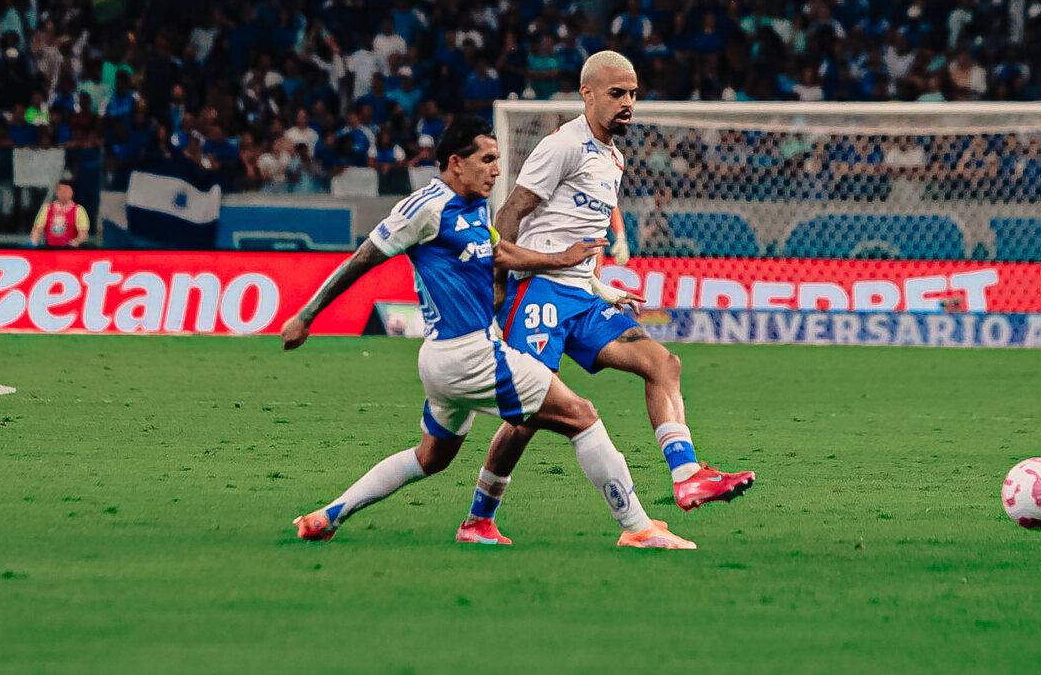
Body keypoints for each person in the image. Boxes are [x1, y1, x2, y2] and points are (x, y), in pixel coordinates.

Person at [285, 116, 694, 549]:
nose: (497, 170)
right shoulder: (425, 208)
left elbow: (501, 252)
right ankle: (638, 528)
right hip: (470, 356)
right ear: (455, 163)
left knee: (430, 458)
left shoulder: (474, 204)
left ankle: (331, 515)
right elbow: (362, 259)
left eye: (497, 159)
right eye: (487, 160)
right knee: (582, 416)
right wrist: (306, 317)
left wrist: (563, 262)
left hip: (445, 361)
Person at [461, 51, 754, 544]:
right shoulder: (562, 145)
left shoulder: (614, 159)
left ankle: (687, 476)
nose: (628, 103)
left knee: (662, 363)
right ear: (588, 94)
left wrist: (602, 288)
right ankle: (478, 519)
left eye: (633, 94)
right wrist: (498, 284)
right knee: (528, 416)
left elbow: (585, 237)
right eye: (617, 93)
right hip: (538, 293)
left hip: (583, 297)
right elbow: (510, 212)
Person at [29, 180, 89, 247]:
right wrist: (33, 243)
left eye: (66, 191)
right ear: (56, 192)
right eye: (60, 190)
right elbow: (37, 230)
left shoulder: (79, 210)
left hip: (70, 250)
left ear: (72, 192)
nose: (63, 193)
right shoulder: (46, 208)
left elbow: (83, 234)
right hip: (49, 249)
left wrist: (76, 241)